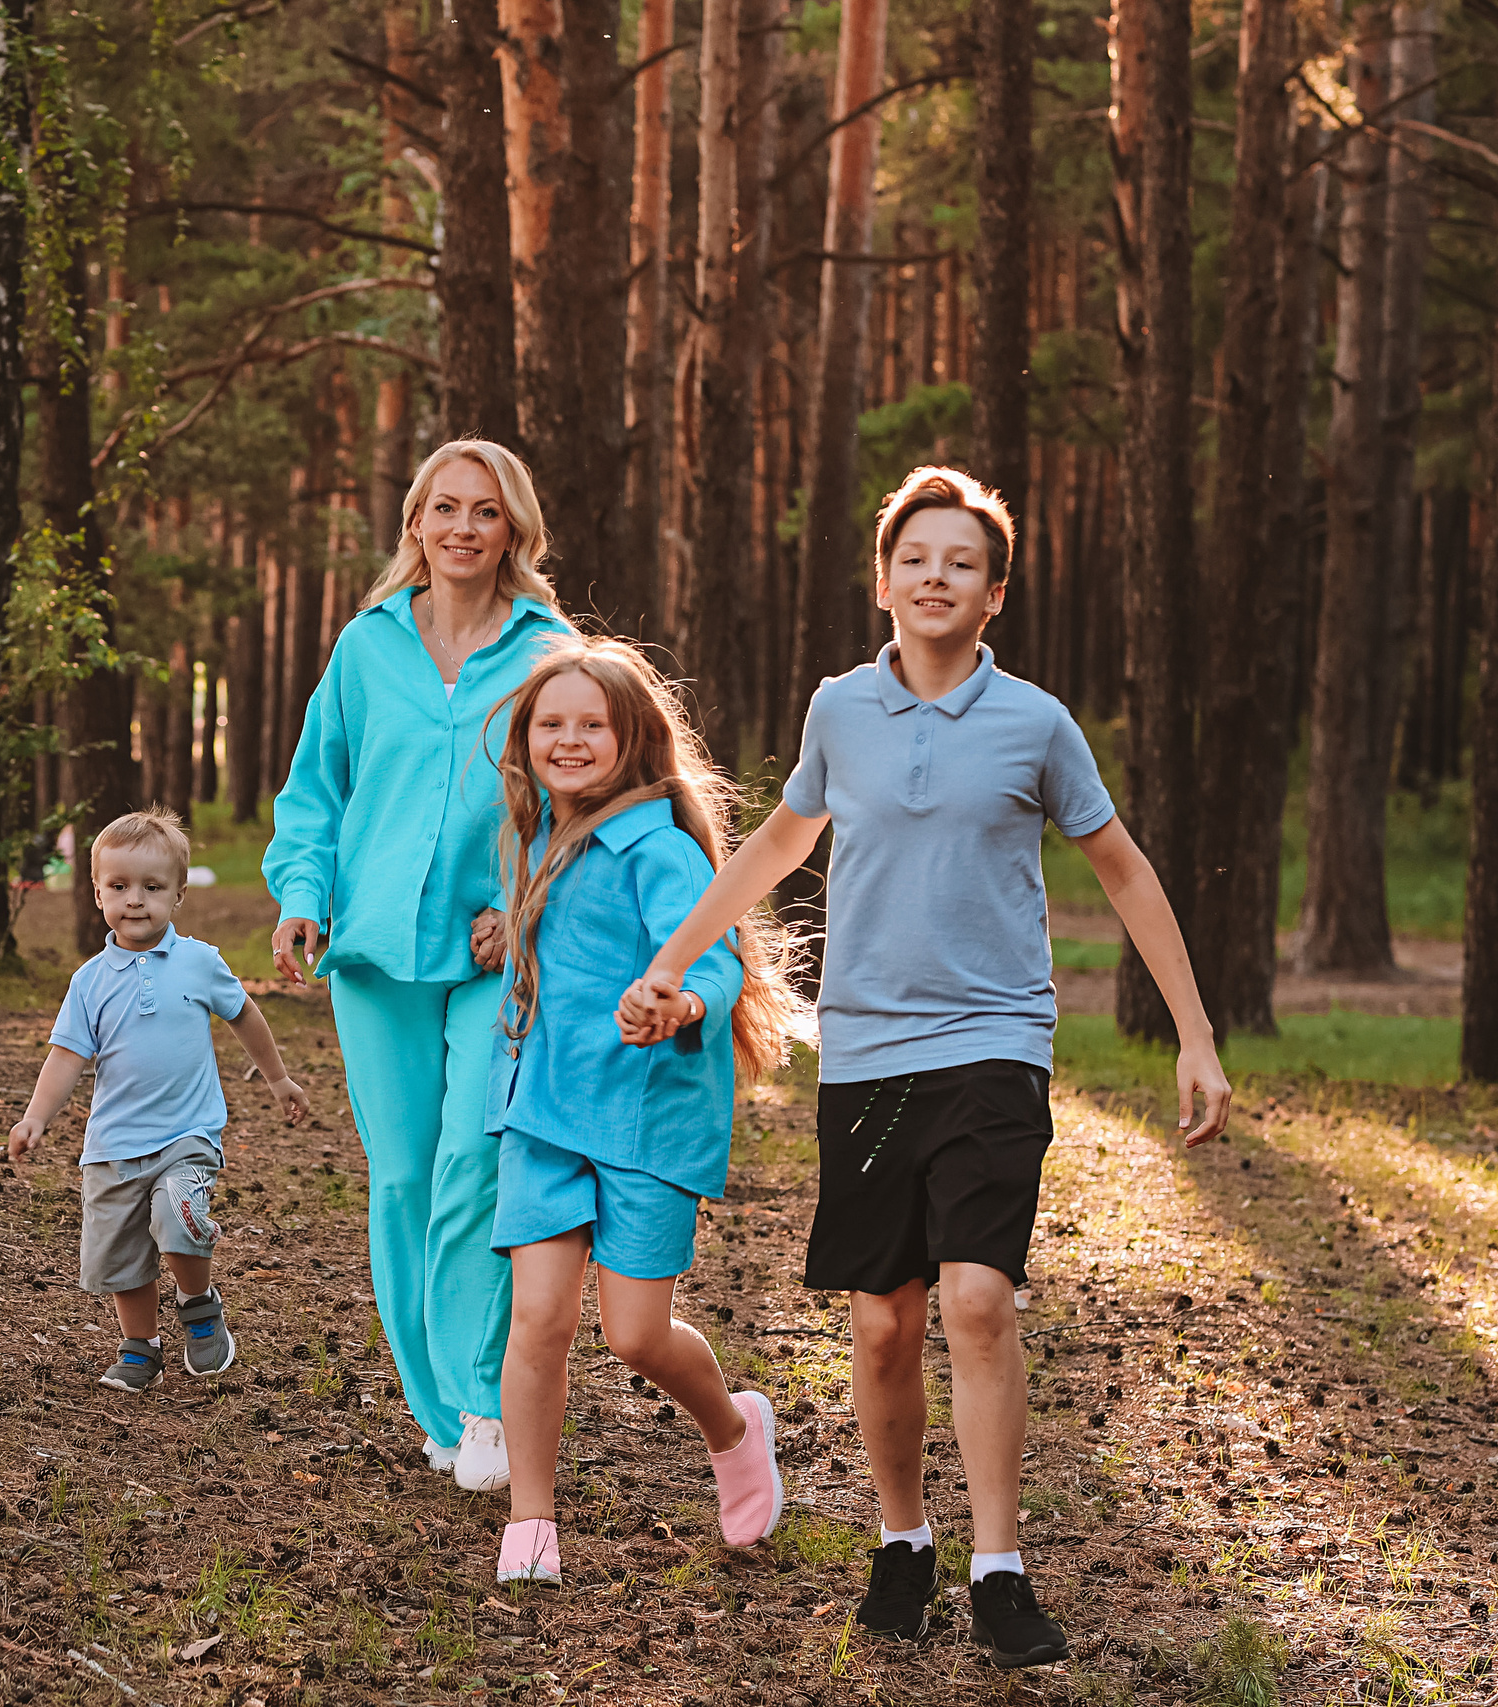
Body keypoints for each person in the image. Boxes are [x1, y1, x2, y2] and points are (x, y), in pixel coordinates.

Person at [623, 466, 1233, 1668]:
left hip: (996, 1044)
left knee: (977, 1300)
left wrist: (1196, 1033)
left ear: (992, 594)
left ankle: (1000, 1568)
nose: (935, 578)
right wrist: (670, 959)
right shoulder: (838, 711)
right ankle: (903, 1541)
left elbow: (1121, 868)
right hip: (867, 1053)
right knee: (882, 1325)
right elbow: (779, 843)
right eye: (915, 560)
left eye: (960, 563)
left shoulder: (1036, 725)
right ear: (884, 581)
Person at [263, 440, 572, 1490]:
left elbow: (580, 793)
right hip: (375, 951)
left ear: (512, 531)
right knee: (400, 1180)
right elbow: (317, 789)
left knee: (472, 1167)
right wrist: (302, 896)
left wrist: (526, 902)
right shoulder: (366, 648)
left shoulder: (549, 648)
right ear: (415, 525)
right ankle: (436, 1407)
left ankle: (486, 1400)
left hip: (494, 950)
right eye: (444, 509)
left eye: (485, 512)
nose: (462, 529)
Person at [483, 637, 809, 1585]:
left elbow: (712, 952)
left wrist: (684, 1000)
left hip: (647, 1119)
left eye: (594, 724)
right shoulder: (535, 833)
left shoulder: (658, 846)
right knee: (537, 1317)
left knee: (633, 1333)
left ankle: (735, 1426)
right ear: (528, 737)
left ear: (634, 740)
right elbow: (565, 931)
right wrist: (507, 929)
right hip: (545, 1111)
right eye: (554, 724)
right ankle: (531, 1523)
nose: (571, 739)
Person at [10, 809, 310, 1391]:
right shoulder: (89, 981)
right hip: (113, 1145)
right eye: (119, 887)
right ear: (97, 893)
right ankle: (140, 1345)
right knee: (121, 1254)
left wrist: (275, 1078)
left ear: (177, 896)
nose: (136, 901)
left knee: (179, 1211)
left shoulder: (199, 961)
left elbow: (244, 1014)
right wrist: (35, 1118)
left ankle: (197, 1303)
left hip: (186, 1135)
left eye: (152, 888)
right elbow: (67, 1056)